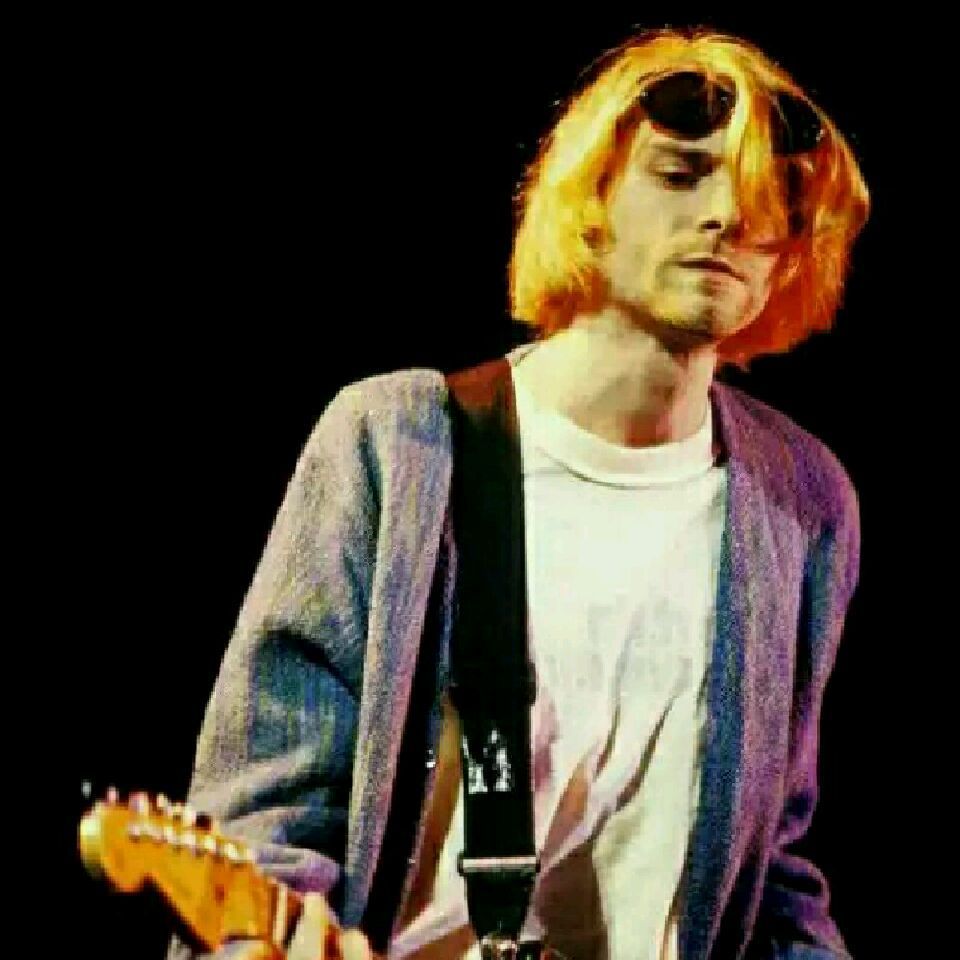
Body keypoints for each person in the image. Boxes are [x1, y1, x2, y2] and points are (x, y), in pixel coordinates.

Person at [168, 24, 869, 960]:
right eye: (680, 174)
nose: (726, 218)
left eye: (768, 199)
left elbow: (771, 871)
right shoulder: (400, 443)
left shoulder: (803, 501)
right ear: (590, 199)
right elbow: (265, 815)